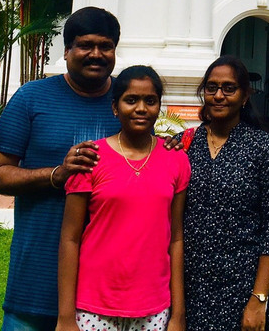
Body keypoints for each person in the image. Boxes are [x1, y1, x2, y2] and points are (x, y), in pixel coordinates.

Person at [0, 6, 123, 331]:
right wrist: (55, 175)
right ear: (67, 51)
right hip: (36, 276)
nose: (96, 54)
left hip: (109, 286)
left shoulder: (128, 100)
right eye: (85, 45)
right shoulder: (32, 98)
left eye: (106, 46)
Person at [58, 66, 190, 331]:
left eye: (150, 101)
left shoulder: (176, 160)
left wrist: (178, 314)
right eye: (131, 100)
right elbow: (70, 238)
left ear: (159, 107)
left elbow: (175, 237)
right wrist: (65, 317)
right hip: (94, 306)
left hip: (154, 307)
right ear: (115, 107)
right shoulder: (91, 158)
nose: (141, 108)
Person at [182, 56, 269, 331]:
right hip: (189, 284)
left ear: (244, 96)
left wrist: (259, 298)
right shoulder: (186, 144)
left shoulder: (263, 148)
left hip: (241, 286)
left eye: (229, 88)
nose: (218, 95)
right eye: (211, 87)